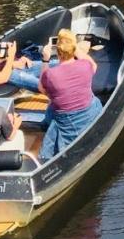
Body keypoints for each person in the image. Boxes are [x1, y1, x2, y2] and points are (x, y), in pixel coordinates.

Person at [37, 28, 103, 162]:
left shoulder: (50, 75)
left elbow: (42, 89)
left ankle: (44, 124)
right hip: (89, 112)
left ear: (58, 51)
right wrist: (76, 49)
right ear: (73, 49)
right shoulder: (86, 65)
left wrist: (45, 60)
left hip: (68, 121)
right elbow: (93, 65)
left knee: (52, 105)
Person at [0, 3, 46, 91]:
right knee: (42, 85)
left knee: (55, 63)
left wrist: (21, 58)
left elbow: (4, 55)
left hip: (18, 65)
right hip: (8, 73)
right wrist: (12, 64)